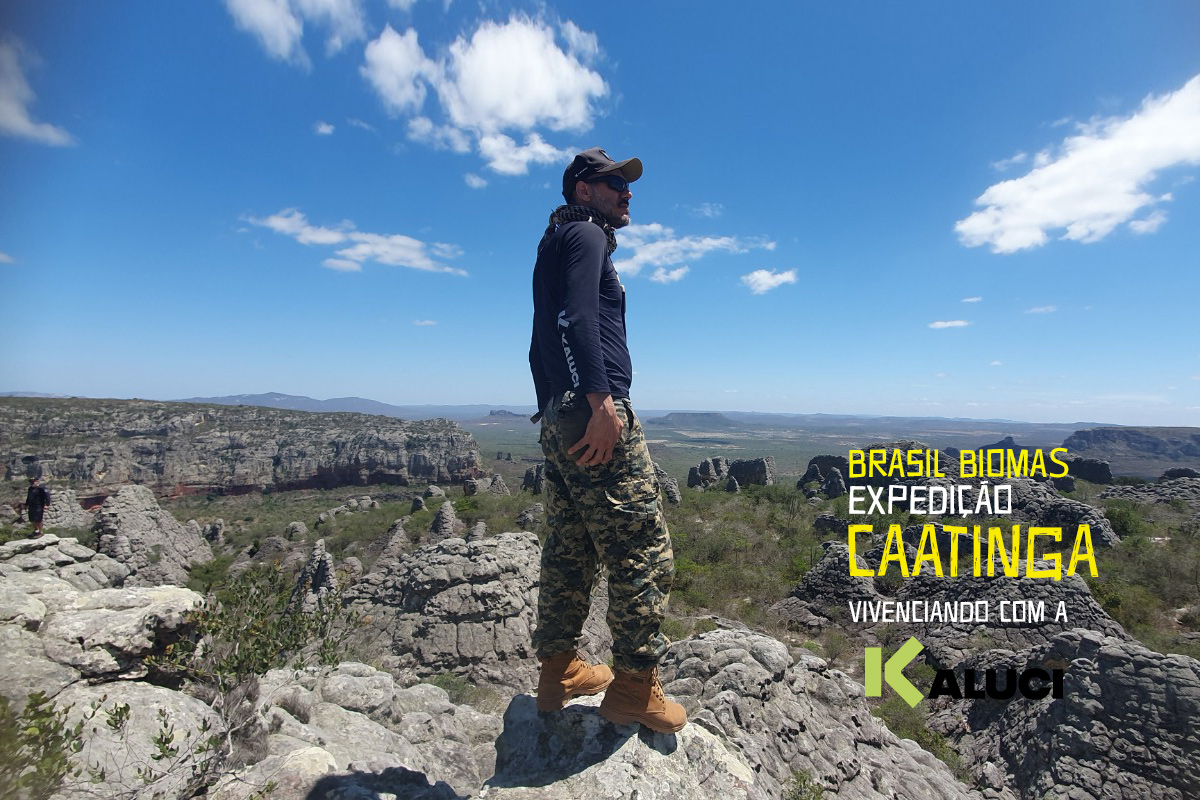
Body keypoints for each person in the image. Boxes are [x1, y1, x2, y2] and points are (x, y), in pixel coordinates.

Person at [528, 147, 685, 733]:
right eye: (614, 182)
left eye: (626, 184)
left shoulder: (556, 242)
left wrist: (556, 407)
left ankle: (559, 668)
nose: (627, 193)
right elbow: (577, 320)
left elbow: (539, 339)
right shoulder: (588, 236)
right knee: (643, 547)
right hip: (592, 410)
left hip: (557, 412)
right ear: (583, 190)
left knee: (571, 547)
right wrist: (598, 402)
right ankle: (635, 687)